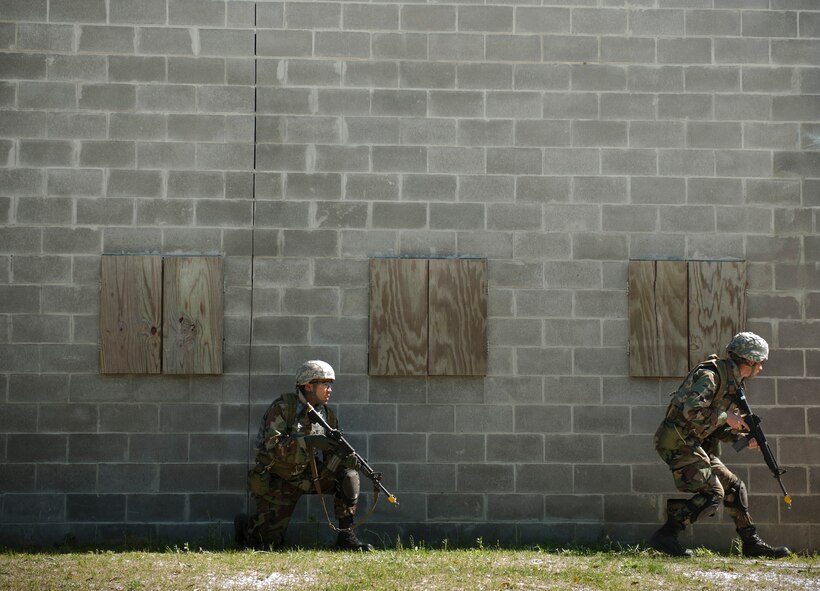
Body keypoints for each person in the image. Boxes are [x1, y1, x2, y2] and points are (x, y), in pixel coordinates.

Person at [649, 332, 790, 558]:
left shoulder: (733, 383)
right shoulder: (711, 376)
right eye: (761, 363)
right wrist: (728, 417)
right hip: (678, 441)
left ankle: (751, 544)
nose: (762, 369)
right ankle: (665, 536)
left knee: (734, 487)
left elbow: (714, 425)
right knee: (713, 493)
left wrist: (742, 437)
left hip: (696, 442)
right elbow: (692, 411)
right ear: (750, 361)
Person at [235, 360, 374, 551]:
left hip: (310, 475)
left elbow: (331, 452)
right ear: (309, 386)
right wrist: (306, 442)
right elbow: (270, 449)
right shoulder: (284, 409)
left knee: (348, 475)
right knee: (266, 544)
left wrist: (344, 458)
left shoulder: (326, 415)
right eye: (325, 384)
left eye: (330, 384)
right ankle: (246, 528)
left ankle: (345, 536)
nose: (329, 389)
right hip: (279, 479)